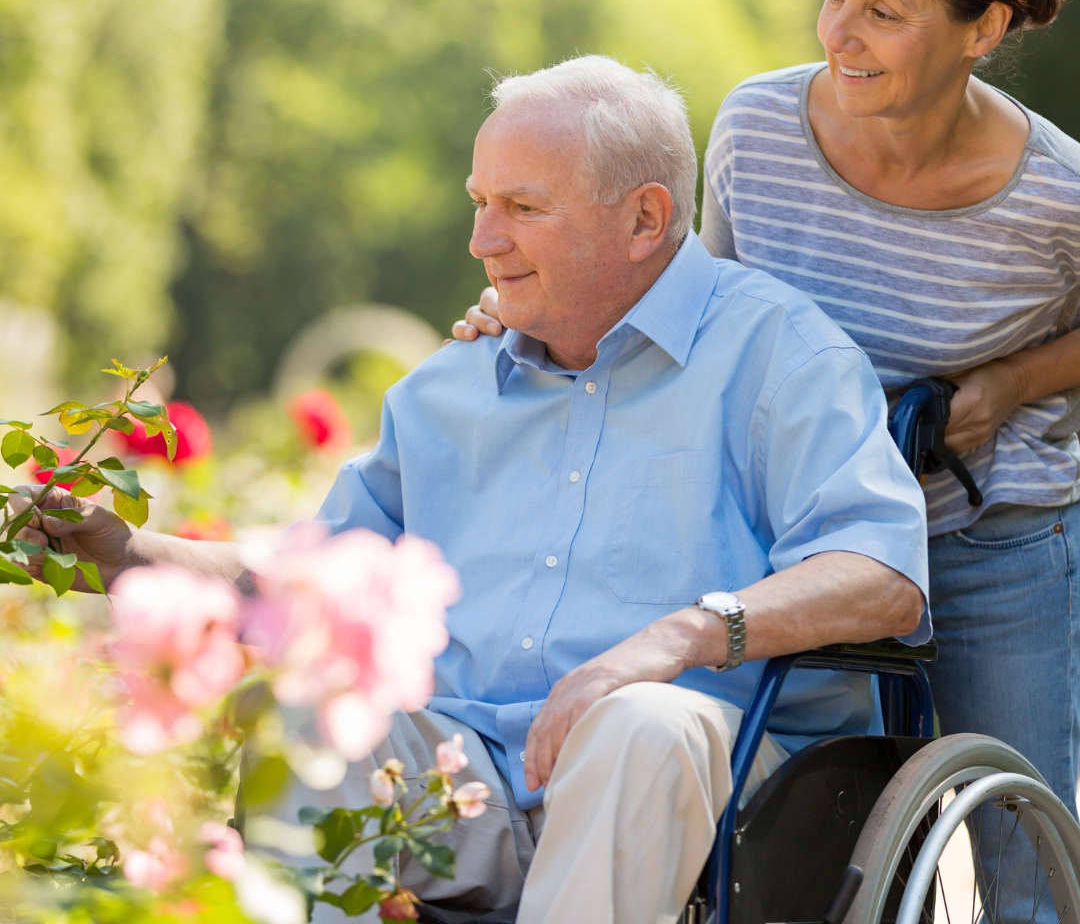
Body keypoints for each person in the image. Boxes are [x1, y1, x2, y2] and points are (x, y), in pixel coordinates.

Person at [24, 56, 929, 922]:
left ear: (646, 219)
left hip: (718, 802)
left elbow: (881, 573)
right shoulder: (443, 391)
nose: (481, 240)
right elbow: (315, 576)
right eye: (480, 203)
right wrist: (129, 550)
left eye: (521, 207)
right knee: (297, 712)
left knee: (638, 721)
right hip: (468, 784)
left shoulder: (779, 355)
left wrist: (675, 637)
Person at [453, 0, 1080, 920]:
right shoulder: (759, 127)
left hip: (985, 524)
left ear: (986, 27)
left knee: (1017, 859)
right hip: (790, 523)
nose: (840, 32)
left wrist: (1012, 381)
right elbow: (699, 308)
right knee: (802, 849)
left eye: (883, 12)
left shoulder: (1055, 195)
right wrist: (537, 302)